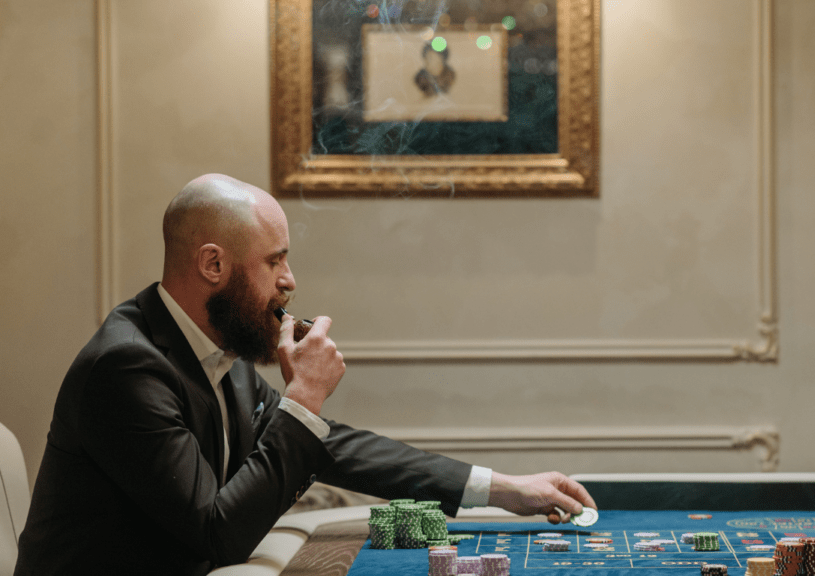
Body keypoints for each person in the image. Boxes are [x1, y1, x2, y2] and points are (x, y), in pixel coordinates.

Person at [15, 174, 596, 575]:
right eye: (274, 261)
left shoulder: (211, 352)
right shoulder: (127, 366)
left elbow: (330, 446)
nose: (290, 281)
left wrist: (504, 490)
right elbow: (218, 532)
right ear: (213, 264)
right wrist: (303, 396)